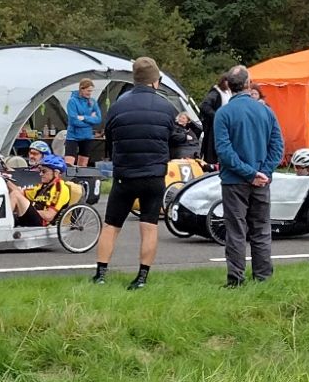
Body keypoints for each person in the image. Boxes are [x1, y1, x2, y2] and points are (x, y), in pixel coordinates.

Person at [92, 56, 187, 289]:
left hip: (125, 175)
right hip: (154, 176)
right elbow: (176, 138)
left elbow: (110, 137)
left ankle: (101, 274)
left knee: (111, 225)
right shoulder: (166, 107)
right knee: (149, 225)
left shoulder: (117, 106)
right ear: (155, 81)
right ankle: (142, 277)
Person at [213, 66, 284, 288]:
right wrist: (263, 172)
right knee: (261, 229)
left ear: (228, 85)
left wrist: (248, 172)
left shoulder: (223, 114)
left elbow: (224, 151)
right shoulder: (265, 111)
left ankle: (236, 279)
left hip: (234, 180)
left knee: (236, 230)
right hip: (261, 178)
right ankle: (263, 276)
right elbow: (277, 146)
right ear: (248, 83)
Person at [14, 151, 78, 227]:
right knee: (14, 193)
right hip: (32, 217)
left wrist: (27, 212)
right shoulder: (42, 186)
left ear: (56, 173)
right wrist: (7, 182)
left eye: (44, 171)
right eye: (40, 171)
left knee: (15, 195)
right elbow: (21, 193)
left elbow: (49, 216)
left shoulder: (60, 188)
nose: (40, 174)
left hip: (42, 221)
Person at [199, 72, 234, 172]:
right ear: (223, 82)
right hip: (214, 127)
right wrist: (217, 116)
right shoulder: (215, 93)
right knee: (212, 151)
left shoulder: (228, 92)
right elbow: (204, 106)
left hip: (226, 125)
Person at [64, 79, 101, 168]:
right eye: (88, 91)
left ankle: (81, 181)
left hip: (87, 136)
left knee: (83, 165)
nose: (90, 93)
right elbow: (73, 121)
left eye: (91, 91)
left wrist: (84, 118)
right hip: (73, 136)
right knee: (69, 164)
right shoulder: (72, 101)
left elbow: (98, 119)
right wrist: (90, 120)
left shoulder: (93, 102)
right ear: (81, 89)